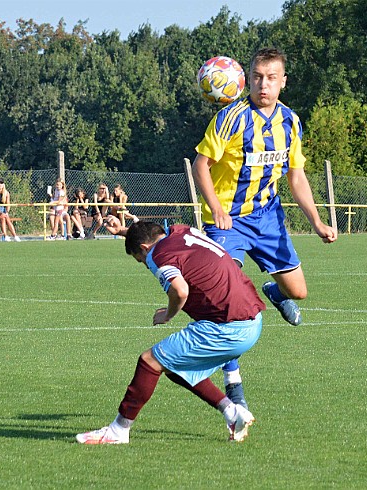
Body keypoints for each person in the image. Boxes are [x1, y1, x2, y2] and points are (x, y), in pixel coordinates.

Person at [191, 47, 338, 407]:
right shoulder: (231, 117)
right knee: (223, 301)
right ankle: (233, 381)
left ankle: (274, 291)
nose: (263, 84)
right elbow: (200, 165)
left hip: (268, 220)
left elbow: (297, 175)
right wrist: (215, 209)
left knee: (299, 292)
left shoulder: (291, 121)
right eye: (257, 77)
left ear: (282, 82)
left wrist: (316, 221)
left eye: (271, 78)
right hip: (227, 220)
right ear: (248, 79)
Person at [76, 219, 265, 445]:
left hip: (229, 327)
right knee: (175, 366)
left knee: (150, 361)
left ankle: (119, 430)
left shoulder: (158, 256)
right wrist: (124, 231)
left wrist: (168, 315)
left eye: (142, 261)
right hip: (252, 318)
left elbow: (180, 290)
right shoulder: (180, 231)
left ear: (145, 249)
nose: (147, 265)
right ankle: (232, 413)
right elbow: (148, 234)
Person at [0, 178, 21, 242]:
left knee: (6, 218)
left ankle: (14, 236)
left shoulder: (6, 193)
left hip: (3, 210)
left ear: (3, 184)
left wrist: (6, 211)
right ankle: (5, 236)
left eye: (1, 183)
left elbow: (8, 204)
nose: (0, 185)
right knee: (3, 217)